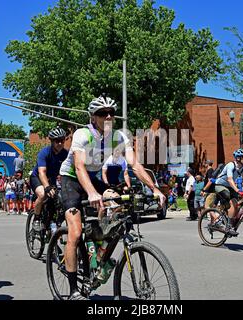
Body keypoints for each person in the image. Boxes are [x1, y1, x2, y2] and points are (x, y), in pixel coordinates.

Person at [59, 96, 165, 300]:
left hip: (92, 177)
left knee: (117, 202)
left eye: (111, 113)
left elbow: (135, 165)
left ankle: (99, 252)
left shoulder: (119, 136)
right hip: (71, 179)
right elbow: (79, 167)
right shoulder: (82, 134)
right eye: (102, 113)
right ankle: (73, 291)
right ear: (93, 117)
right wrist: (91, 193)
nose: (108, 116)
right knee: (75, 231)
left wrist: (155, 189)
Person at [30, 127, 69, 230]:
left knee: (59, 199)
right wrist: (47, 187)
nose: (60, 143)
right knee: (43, 194)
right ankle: (37, 218)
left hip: (51, 179)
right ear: (51, 141)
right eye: (57, 141)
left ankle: (52, 221)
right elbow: (42, 172)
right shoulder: (45, 152)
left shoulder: (65, 154)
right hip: (37, 177)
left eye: (62, 140)